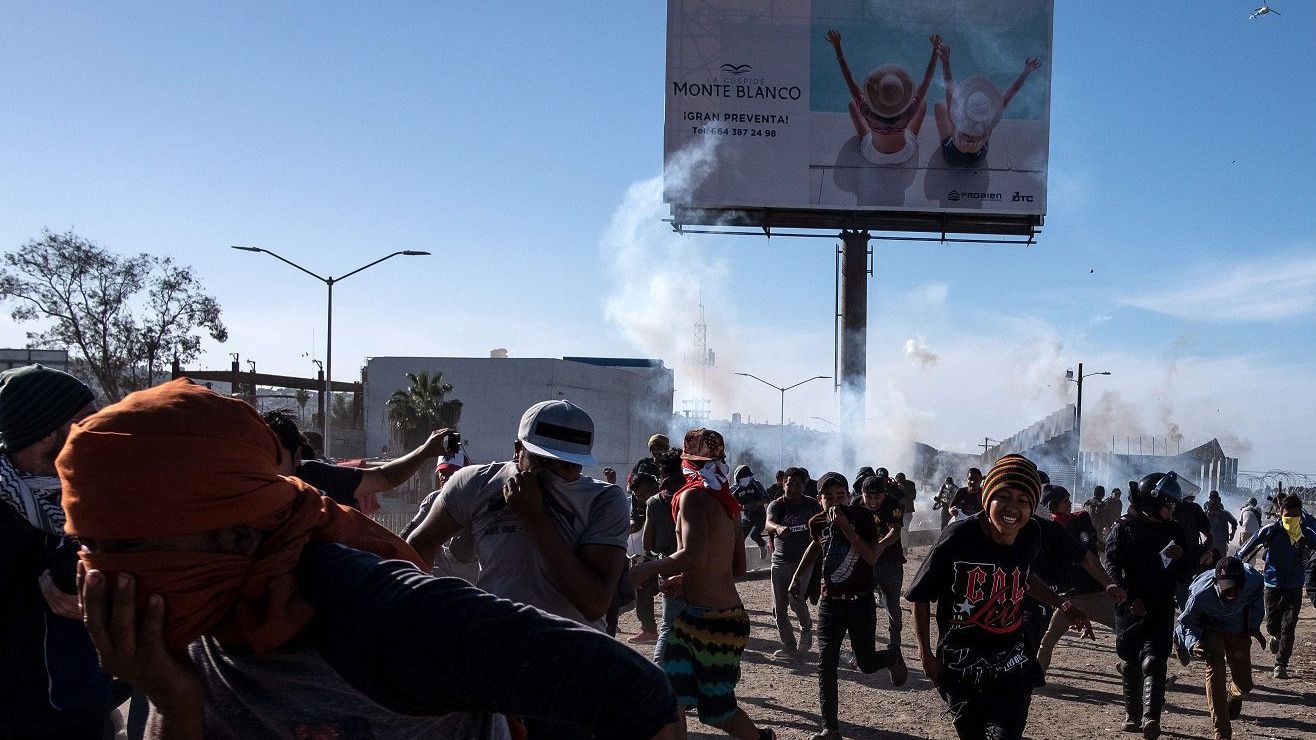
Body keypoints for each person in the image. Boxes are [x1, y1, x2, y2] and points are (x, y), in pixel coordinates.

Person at [61, 379, 679, 739]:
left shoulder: (387, 621)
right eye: (91, 547)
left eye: (130, 548)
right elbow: (418, 548)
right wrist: (171, 699)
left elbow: (628, 671)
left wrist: (441, 625)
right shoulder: (204, 613)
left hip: (525, 658)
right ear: (518, 450)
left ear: (237, 530)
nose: (100, 575)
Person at [406, 400, 629, 633]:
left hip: (573, 646)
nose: (554, 475)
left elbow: (594, 604)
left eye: (568, 467)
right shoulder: (475, 484)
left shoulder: (604, 500)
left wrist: (536, 518)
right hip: (499, 640)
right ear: (518, 450)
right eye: (543, 462)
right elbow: (419, 546)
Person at [906, 455, 1087, 740]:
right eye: (1003, 497)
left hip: (1011, 659)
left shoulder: (1031, 534)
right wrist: (925, 654)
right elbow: (920, 595)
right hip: (961, 662)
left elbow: (1024, 577)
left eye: (1023, 500)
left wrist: (1063, 604)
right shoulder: (958, 537)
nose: (1012, 508)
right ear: (987, 499)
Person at [629, 429, 777, 740]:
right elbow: (736, 568)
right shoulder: (727, 501)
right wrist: (688, 580)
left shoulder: (694, 496)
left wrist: (645, 570)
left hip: (713, 624)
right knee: (670, 696)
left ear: (687, 462)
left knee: (717, 711)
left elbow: (693, 555)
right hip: (713, 617)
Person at [0, 364, 114, 738]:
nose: (99, 433)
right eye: (86, 423)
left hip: (86, 714)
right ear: (49, 432)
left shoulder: (102, 498)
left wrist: (100, 607)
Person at [792, 473, 905, 740]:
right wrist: (798, 574)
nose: (835, 502)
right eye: (828, 497)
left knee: (866, 663)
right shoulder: (817, 522)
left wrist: (845, 527)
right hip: (830, 603)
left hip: (861, 602)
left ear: (848, 496)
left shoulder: (863, 518)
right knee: (826, 664)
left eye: (840, 496)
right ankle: (830, 728)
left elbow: (871, 557)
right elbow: (817, 546)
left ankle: (892, 655)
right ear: (819, 499)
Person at [1105, 472, 1189, 738]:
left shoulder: (1175, 530)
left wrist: (1182, 556)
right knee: (1131, 661)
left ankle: (1151, 717)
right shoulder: (1124, 528)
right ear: (1152, 502)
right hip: (1129, 607)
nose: (1171, 509)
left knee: (1154, 660)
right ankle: (1132, 715)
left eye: (1173, 504)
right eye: (1167, 504)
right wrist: (1129, 598)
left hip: (1161, 604)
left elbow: (1187, 570)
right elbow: (1111, 566)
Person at [263, 409, 453, 510]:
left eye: (271, 456)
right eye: (252, 456)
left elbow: (383, 477)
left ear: (297, 456)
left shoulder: (315, 476)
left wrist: (423, 452)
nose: (261, 467)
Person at [1034, 485, 1127, 675]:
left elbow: (1092, 547)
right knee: (1047, 641)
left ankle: (1136, 669)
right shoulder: (1045, 530)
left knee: (1128, 631)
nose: (1069, 504)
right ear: (1051, 505)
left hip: (1098, 594)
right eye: (1064, 501)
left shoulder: (1081, 519)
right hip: (1071, 599)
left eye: (1069, 500)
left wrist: (1113, 551)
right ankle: (1035, 678)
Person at [1174, 556, 1264, 740]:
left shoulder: (1253, 580)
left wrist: (1253, 626)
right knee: (1215, 667)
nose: (1233, 593)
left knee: (1245, 684)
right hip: (1210, 629)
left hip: (1237, 629)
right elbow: (1188, 622)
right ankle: (1222, 731)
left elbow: (1257, 598)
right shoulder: (1200, 595)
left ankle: (1234, 691)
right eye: (1227, 587)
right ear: (1216, 582)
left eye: (1237, 587)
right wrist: (1192, 643)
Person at [825, 30, 941, 166]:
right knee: (922, 103)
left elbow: (849, 79)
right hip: (905, 154)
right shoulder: (908, 111)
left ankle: (865, 138)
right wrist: (935, 50)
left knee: (853, 104)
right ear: (902, 96)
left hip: (874, 156)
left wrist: (837, 47)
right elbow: (927, 79)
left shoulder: (868, 112)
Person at [1236, 493, 1316, 679]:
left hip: (1294, 585)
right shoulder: (1271, 530)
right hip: (1272, 584)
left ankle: (1281, 664)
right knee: (1272, 624)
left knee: (1289, 625)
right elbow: (1248, 545)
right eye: (1288, 515)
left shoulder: (1306, 532)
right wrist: (1235, 560)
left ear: (1300, 514)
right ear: (1281, 512)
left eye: (1295, 516)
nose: (1291, 519)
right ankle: (1275, 636)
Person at [933, 44, 1042, 167]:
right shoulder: (990, 118)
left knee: (940, 105)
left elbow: (948, 86)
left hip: (953, 157)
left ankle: (945, 142)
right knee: (992, 121)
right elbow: (1012, 91)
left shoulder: (957, 121)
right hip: (978, 157)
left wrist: (945, 62)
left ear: (965, 108)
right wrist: (1026, 71)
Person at [765, 467, 823, 658]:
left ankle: (806, 629)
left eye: (797, 484)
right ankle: (789, 645)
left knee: (795, 598)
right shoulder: (776, 505)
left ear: (803, 486)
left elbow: (821, 524)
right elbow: (768, 523)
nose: (793, 488)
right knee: (778, 608)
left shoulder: (811, 504)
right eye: (789, 484)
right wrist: (778, 528)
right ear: (783, 485)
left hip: (804, 561)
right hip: (780, 561)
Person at [645, 450, 686, 664]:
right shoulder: (696, 496)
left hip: (668, 568)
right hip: (696, 569)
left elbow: (647, 543)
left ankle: (659, 669)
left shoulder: (654, 502)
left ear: (662, 472)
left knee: (668, 625)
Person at [859, 473, 907, 652]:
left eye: (877, 497)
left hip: (890, 562)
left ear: (884, 495)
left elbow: (895, 530)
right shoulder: (856, 505)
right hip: (864, 563)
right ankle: (864, 644)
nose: (873, 502)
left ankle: (894, 642)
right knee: (862, 603)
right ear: (862, 493)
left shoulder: (892, 504)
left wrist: (880, 546)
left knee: (892, 604)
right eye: (868, 497)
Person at [627, 472, 662, 644]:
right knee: (643, 591)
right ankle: (649, 629)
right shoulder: (643, 504)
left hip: (663, 555)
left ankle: (650, 630)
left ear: (654, 487)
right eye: (637, 495)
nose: (640, 498)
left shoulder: (661, 503)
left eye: (643, 494)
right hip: (649, 555)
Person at [1171, 492, 1217, 610]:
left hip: (1187, 568)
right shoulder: (1152, 512)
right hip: (1164, 571)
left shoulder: (1193, 509)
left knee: (1189, 607)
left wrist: (1208, 552)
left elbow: (1210, 536)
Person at [733, 464, 769, 558]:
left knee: (754, 535)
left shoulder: (756, 484)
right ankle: (739, 558)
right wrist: (743, 507)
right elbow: (730, 503)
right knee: (740, 538)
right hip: (746, 517)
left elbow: (766, 499)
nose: (745, 480)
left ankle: (763, 545)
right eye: (742, 478)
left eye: (746, 477)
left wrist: (756, 504)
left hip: (759, 516)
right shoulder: (734, 489)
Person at [1204, 495, 1237, 561]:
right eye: (1212, 501)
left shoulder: (1224, 513)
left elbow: (1234, 522)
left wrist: (1233, 533)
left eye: (1215, 502)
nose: (1214, 503)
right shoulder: (1207, 513)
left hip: (1220, 541)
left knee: (1221, 560)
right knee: (1211, 560)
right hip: (1211, 541)